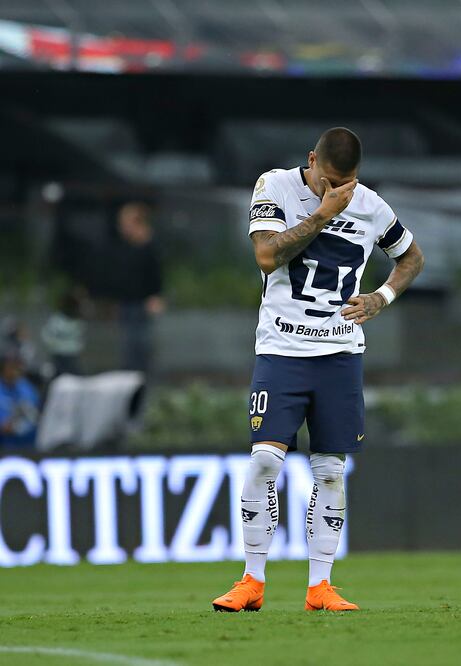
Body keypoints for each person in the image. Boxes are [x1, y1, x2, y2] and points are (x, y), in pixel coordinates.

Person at [212, 127, 424, 613]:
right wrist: (322, 216)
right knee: (265, 460)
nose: (337, 193)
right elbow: (267, 256)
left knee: (330, 470)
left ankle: (319, 588)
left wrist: (381, 296)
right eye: (329, 181)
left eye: (345, 184)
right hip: (281, 351)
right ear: (311, 161)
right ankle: (252, 580)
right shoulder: (275, 187)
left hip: (340, 355)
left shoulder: (370, 205)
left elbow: (411, 257)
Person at [109, 202, 165, 373]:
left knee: (140, 346)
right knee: (128, 347)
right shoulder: (125, 246)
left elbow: (155, 273)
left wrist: (156, 296)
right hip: (127, 301)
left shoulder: (149, 246)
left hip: (142, 303)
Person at [41, 288, 88, 377]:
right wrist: (57, 346)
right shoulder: (56, 320)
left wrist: (76, 347)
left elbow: (81, 340)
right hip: (59, 357)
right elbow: (46, 336)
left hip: (72, 357)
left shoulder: (78, 323)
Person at [0, 350, 41, 448]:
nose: (15, 371)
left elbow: (36, 416)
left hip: (28, 442)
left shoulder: (27, 387)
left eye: (17, 366)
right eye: (11, 366)